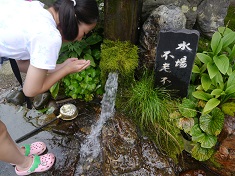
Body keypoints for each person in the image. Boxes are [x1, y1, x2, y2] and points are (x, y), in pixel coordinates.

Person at [0, 0, 99, 175]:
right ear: (73, 20)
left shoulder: (36, 8)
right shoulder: (49, 36)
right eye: (84, 32)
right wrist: (66, 69)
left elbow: (23, 63)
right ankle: (24, 164)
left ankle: (15, 152)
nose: (81, 38)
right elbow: (30, 90)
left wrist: (61, 65)